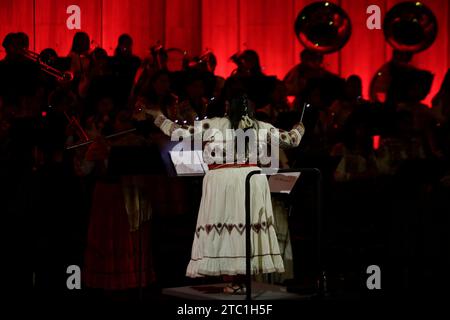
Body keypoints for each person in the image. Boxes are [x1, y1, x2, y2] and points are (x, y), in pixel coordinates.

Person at [140, 93, 305, 293]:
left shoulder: (213, 125)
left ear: (227, 106)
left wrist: (158, 116)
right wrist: (300, 127)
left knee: (226, 227)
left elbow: (178, 133)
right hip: (250, 179)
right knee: (246, 228)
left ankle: (235, 281)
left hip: (222, 180)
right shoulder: (261, 126)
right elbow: (292, 140)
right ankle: (242, 281)